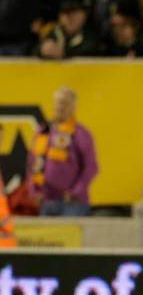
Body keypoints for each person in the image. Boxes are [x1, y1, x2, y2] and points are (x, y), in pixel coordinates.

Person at [28, 87, 98, 216]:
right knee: (47, 236)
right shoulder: (43, 132)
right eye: (58, 102)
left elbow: (91, 168)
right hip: (46, 201)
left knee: (69, 236)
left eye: (65, 103)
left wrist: (75, 192)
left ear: (73, 107)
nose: (60, 107)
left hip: (72, 204)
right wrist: (34, 192)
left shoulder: (80, 134)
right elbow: (32, 165)